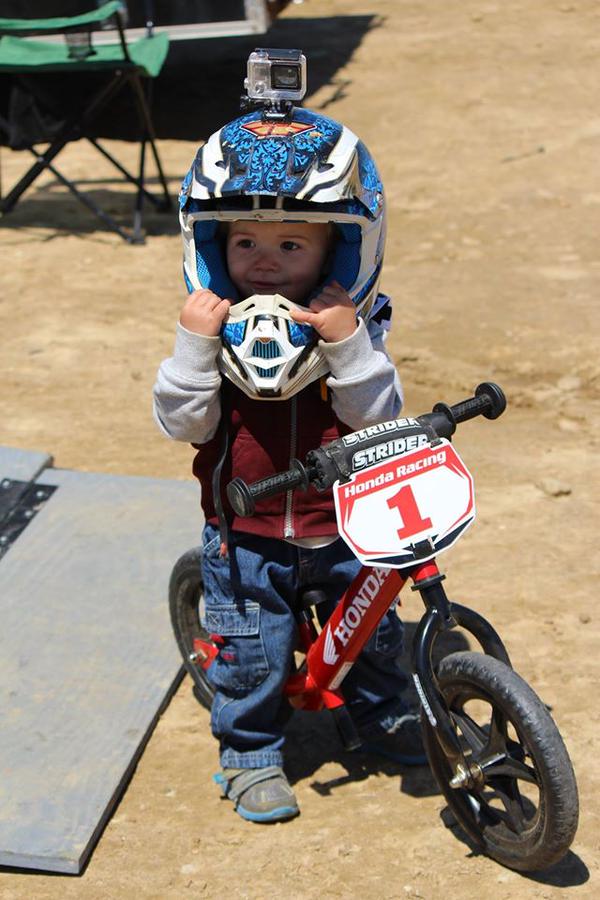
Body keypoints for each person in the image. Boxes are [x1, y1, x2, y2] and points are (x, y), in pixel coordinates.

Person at [153, 103, 424, 824]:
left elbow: (377, 416)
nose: (264, 261)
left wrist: (348, 345)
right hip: (246, 533)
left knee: (373, 633)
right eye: (243, 241)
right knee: (251, 651)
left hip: (345, 526)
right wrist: (194, 349)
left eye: (292, 246)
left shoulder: (352, 326)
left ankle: (379, 714)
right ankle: (248, 751)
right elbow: (184, 422)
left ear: (339, 254)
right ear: (212, 247)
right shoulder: (211, 327)